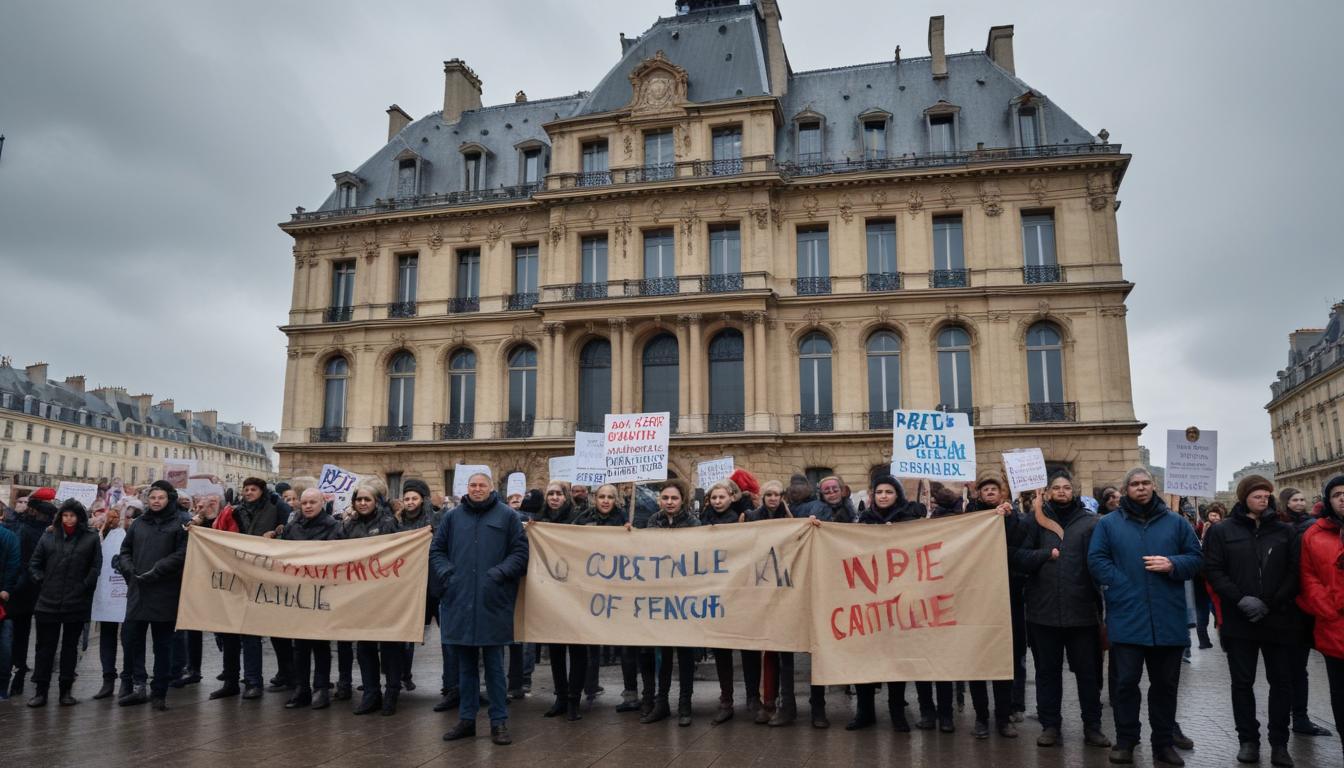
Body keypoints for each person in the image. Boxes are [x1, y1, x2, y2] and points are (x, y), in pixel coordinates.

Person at [1088, 468, 1202, 767]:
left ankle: (1163, 743)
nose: (1141, 488)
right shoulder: (1109, 524)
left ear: (1154, 486)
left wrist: (1173, 564)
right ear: (1126, 490)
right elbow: (1096, 560)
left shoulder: (1176, 522)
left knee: (1165, 686)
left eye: (1146, 483)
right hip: (1128, 616)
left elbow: (1196, 558)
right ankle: (1126, 740)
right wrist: (1121, 584)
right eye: (1135, 484)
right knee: (1126, 684)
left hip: (1168, 618)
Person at [1203, 475, 1299, 767]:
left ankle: (1280, 743)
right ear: (1244, 497)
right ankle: (1248, 740)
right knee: (1242, 683)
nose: (1263, 499)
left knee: (1281, 683)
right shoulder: (1222, 532)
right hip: (1239, 620)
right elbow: (1214, 570)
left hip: (1277, 619)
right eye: (1257, 495)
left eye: (1267, 495)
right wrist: (1241, 599)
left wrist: (1269, 602)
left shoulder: (1285, 531)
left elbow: (1295, 572)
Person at [1014, 472, 1111, 749]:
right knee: (1047, 673)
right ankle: (1050, 726)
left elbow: (1101, 561)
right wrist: (1044, 556)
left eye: (1066, 487)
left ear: (1074, 491)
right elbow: (1018, 557)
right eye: (1056, 487)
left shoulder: (1092, 523)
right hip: (1042, 613)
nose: (1061, 491)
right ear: (1047, 492)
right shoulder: (1034, 520)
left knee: (1088, 674)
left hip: (1082, 612)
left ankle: (1092, 727)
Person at [435, 471, 529, 746]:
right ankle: (467, 719)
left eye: (481, 486)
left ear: (490, 488)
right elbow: (437, 550)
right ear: (468, 488)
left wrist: (499, 574)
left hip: (493, 601)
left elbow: (520, 553)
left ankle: (498, 722)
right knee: (465, 667)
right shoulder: (452, 517)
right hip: (460, 600)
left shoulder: (508, 516)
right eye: (473, 485)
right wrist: (448, 574)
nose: (477, 489)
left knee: (494, 667)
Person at [847, 474, 925, 734]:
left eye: (888, 492)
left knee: (896, 660)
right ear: (872, 496)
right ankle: (864, 712)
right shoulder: (863, 522)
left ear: (897, 495)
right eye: (879, 492)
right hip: (868, 602)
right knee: (864, 660)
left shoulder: (908, 521)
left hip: (898, 601)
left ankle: (896, 712)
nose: (883, 496)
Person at [629, 479, 700, 726]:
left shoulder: (693, 523)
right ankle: (662, 703)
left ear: (682, 501)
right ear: (660, 500)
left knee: (685, 654)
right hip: (660, 597)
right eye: (665, 498)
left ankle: (685, 705)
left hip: (684, 599)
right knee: (664, 654)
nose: (669, 502)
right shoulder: (652, 522)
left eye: (674, 498)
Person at [114, 480, 189, 710]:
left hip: (164, 591)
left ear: (169, 500)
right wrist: (129, 568)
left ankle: (159, 691)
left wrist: (158, 569)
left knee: (162, 645)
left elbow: (182, 554)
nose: (156, 501)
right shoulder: (138, 523)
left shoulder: (180, 523)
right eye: (153, 498)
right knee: (133, 640)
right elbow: (125, 550)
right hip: (139, 590)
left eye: (161, 498)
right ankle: (138, 685)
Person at [210, 477, 286, 701]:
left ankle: (253, 682)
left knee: (250, 633)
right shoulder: (233, 511)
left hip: (261, 575)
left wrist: (276, 534)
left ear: (262, 491)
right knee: (229, 631)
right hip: (234, 573)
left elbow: (286, 534)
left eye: (254, 489)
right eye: (246, 489)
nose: (249, 492)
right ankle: (231, 681)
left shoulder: (274, 510)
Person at [26, 499, 102, 707]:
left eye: (72, 515)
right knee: (45, 648)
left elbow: (95, 568)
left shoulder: (90, 538)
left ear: (79, 517)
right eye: (65, 515)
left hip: (75, 601)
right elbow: (35, 563)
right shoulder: (49, 535)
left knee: (70, 649)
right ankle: (41, 691)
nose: (68, 519)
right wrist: (42, 581)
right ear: (60, 517)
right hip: (48, 601)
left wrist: (83, 586)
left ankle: (65, 691)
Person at [967, 474, 1026, 738]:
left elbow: (1017, 547)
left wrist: (1008, 518)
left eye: (994, 488)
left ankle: (1003, 718)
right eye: (985, 489)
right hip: (975, 597)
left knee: (1003, 660)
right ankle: (981, 718)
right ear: (979, 494)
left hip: (1005, 595)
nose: (989, 492)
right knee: (977, 661)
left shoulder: (1012, 517)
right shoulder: (968, 517)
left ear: (1001, 494)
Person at [340, 478, 403, 715]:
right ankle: (370, 693)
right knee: (364, 647)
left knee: (389, 647)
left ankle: (392, 693)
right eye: (359, 499)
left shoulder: (388, 522)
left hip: (384, 594)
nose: (363, 503)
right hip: (359, 595)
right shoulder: (347, 526)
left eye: (367, 499)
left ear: (376, 502)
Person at [700, 479, 760, 724]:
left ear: (731, 498)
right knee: (721, 649)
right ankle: (726, 699)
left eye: (721, 497)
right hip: (715, 594)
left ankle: (753, 697)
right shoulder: (701, 523)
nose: (717, 502)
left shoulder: (744, 520)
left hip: (741, 593)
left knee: (748, 650)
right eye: (714, 498)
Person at [1278, 487, 1334, 738]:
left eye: (1302, 499)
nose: (1299, 504)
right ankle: (1297, 717)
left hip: (1313, 605)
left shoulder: (1315, 528)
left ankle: (1300, 716)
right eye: (1294, 500)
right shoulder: (1280, 528)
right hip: (1291, 607)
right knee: (1294, 667)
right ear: (1285, 503)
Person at [1296, 474, 1344, 766]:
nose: (1343, 497)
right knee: (1340, 694)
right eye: (1337, 493)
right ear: (1328, 500)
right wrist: (1327, 607)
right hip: (1334, 626)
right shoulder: (1315, 534)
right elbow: (1307, 576)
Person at [279, 488, 341, 710]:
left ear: (322, 502)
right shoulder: (292, 527)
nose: (307, 506)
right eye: (304, 502)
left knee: (320, 643)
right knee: (299, 646)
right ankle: (301, 688)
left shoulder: (334, 526)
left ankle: (321, 688)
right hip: (298, 593)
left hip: (322, 593)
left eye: (312, 502)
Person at [574, 484, 632, 711]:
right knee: (589, 642)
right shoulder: (582, 520)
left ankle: (630, 693)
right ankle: (588, 686)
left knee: (626, 644)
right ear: (595, 499)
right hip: (590, 588)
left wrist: (631, 532)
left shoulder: (625, 520)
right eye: (601, 497)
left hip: (619, 589)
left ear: (616, 500)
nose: (606, 501)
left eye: (610, 497)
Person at [536, 481, 588, 721]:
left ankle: (574, 700)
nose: (554, 498)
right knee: (555, 649)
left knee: (577, 648)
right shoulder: (539, 521)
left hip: (576, 592)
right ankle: (560, 696)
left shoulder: (579, 520)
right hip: (551, 593)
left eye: (558, 494)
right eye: (550, 494)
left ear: (566, 497)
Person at [748, 480, 795, 726]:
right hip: (758, 591)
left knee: (783, 651)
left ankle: (786, 704)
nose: (773, 498)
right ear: (762, 496)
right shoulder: (751, 519)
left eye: (777, 494)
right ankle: (767, 702)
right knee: (766, 651)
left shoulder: (792, 520)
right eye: (769, 494)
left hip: (784, 591)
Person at [3, 486, 55, 698]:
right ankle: (25, 677)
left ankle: (16, 674)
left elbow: (18, 560)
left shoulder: (20, 528)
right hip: (37, 588)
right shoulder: (48, 531)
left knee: (14, 636)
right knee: (30, 637)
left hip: (19, 589)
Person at [397, 478, 442, 697]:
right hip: (408, 586)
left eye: (414, 498)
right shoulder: (396, 522)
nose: (410, 502)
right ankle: (403, 676)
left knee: (448, 636)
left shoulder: (437, 520)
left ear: (422, 500)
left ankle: (450, 682)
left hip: (434, 585)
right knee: (406, 633)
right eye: (406, 498)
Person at [0, 507, 20, 701]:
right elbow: (14, 566)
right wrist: (6, 588)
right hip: (3, 599)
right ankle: (2, 688)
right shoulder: (10, 537)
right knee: (4, 646)